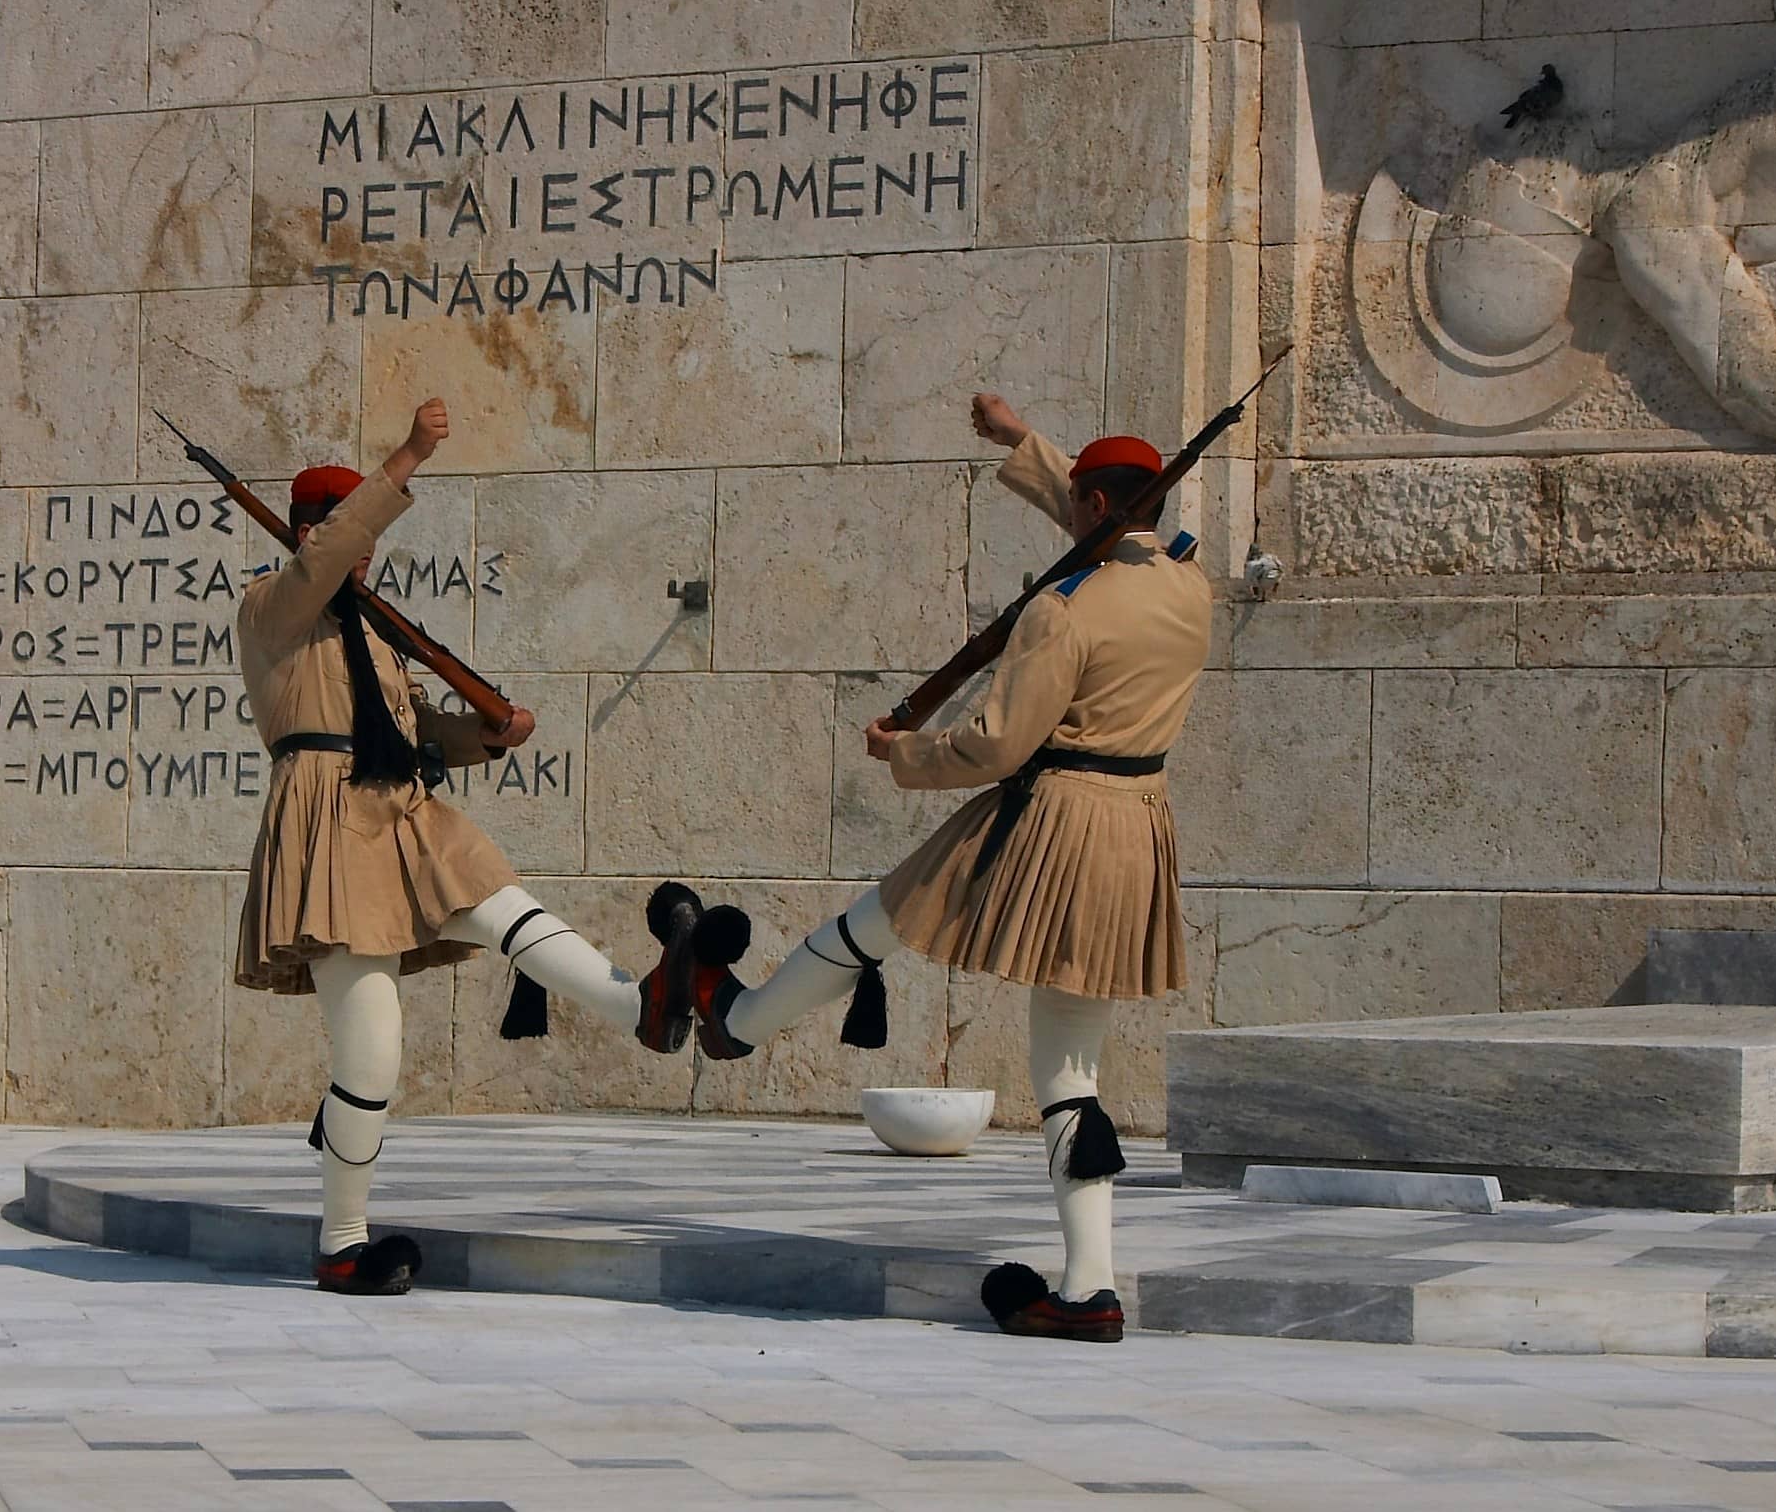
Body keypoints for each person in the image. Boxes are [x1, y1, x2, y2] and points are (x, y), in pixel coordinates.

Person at [645, 392, 1211, 1342]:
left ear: (1097, 511)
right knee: (1071, 1069)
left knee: (879, 921)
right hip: (1138, 828)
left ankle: (733, 1020)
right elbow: (1112, 535)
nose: (1071, 516)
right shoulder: (1190, 588)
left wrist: (903, 752)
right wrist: (1029, 448)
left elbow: (994, 746)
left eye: (1076, 501)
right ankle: (1090, 1287)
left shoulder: (1060, 614)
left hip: (1049, 821)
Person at [237, 398, 695, 1298]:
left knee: (509, 907)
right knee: (370, 1054)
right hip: (329, 823)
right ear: (307, 534)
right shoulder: (272, 611)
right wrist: (408, 456)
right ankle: (342, 1242)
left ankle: (640, 1006)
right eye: (346, 533)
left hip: (404, 811)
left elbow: (412, 729)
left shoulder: (370, 630)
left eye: (367, 540)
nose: (362, 552)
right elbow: (323, 566)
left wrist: (485, 733)